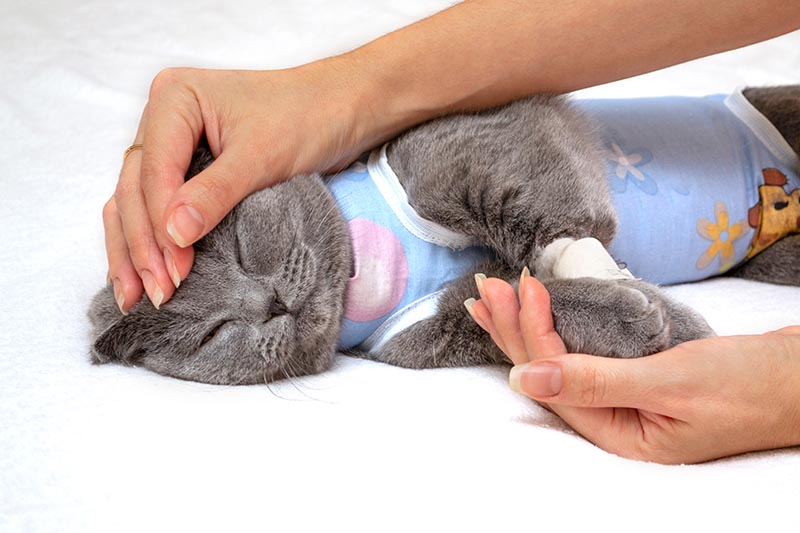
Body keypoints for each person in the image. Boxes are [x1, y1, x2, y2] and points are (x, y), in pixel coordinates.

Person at [103, 0, 800, 462]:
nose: (266, 306)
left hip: (759, 131)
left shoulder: (397, 177)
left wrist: (576, 258)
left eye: (251, 250)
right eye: (215, 337)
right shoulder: (397, 340)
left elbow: (523, 144)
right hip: (769, 241)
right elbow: (517, 317)